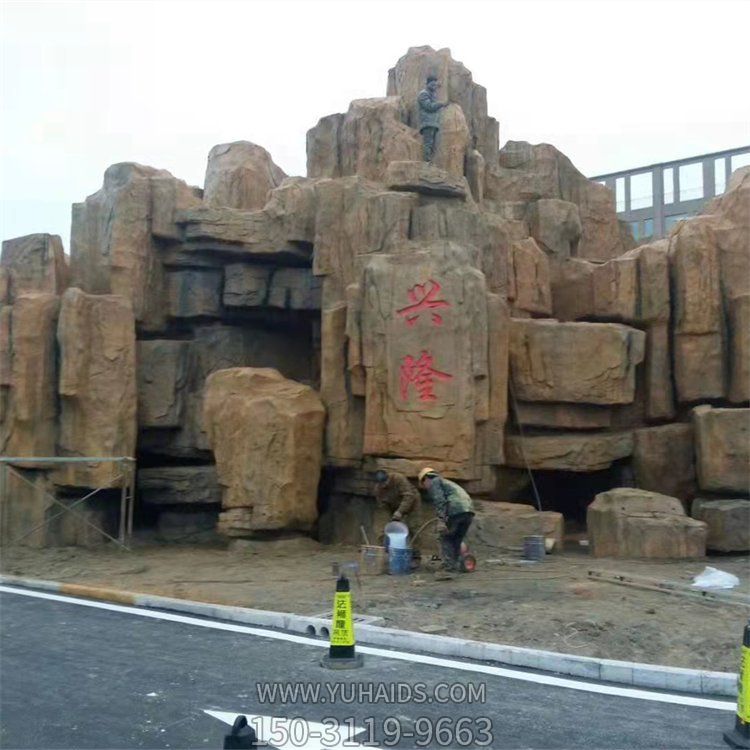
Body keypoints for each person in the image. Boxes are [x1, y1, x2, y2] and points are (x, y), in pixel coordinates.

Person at [418, 467, 474, 573]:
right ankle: (456, 564)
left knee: (445, 537)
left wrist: (441, 520)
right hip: (469, 511)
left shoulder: (434, 482)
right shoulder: (447, 483)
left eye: (423, 484)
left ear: (426, 479)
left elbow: (440, 500)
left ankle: (448, 567)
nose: (425, 487)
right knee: (456, 539)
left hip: (455, 510)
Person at [417, 75, 449, 162]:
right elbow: (429, 106)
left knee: (433, 144)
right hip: (428, 123)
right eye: (432, 84)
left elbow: (437, 87)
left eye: (435, 85)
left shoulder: (431, 94)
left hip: (433, 123)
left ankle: (429, 161)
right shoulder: (423, 94)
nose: (434, 86)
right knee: (428, 143)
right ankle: (426, 161)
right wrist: (441, 104)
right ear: (427, 84)